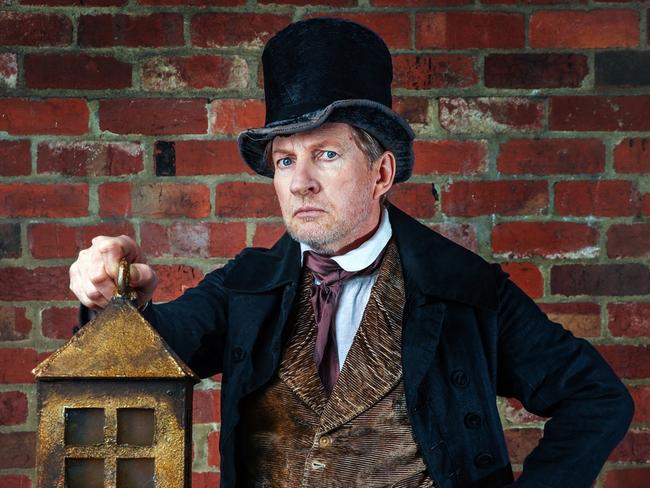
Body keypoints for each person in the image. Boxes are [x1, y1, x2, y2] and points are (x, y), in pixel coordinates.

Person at [69, 18, 633, 488]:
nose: (300, 183)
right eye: (286, 160)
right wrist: (113, 297)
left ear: (381, 172)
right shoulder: (245, 288)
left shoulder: (466, 291)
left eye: (327, 155)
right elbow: (136, 362)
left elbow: (597, 398)